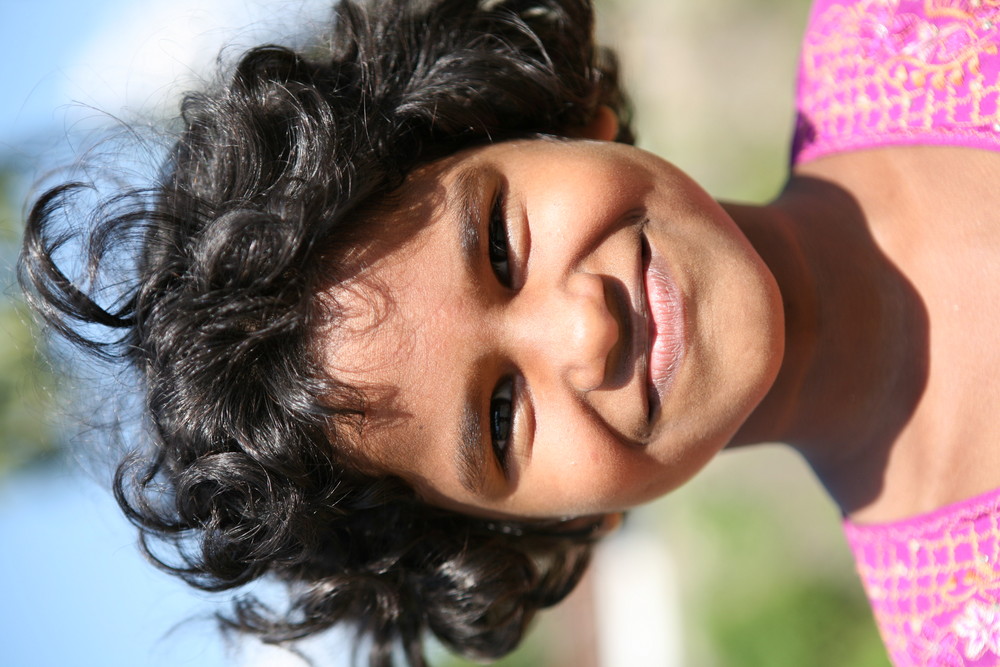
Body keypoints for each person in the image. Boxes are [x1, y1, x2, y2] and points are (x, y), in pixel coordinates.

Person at [17, 1, 1000, 666]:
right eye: (497, 416)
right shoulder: (967, 632)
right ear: (555, 523)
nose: (581, 326)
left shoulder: (920, 21)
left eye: (496, 242)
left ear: (554, 118)